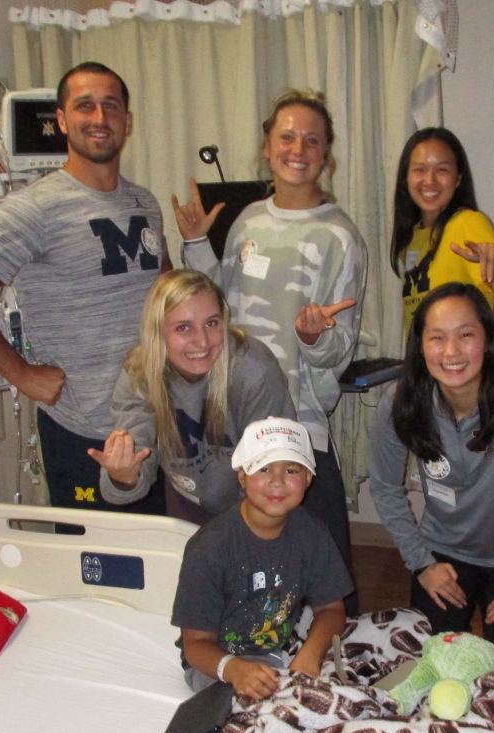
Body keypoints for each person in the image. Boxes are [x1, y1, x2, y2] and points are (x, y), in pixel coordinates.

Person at [0, 62, 170, 515]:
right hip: (84, 430)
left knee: (163, 550)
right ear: (61, 119)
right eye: (85, 106)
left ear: (128, 120)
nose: (99, 117)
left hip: (154, 421)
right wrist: (20, 373)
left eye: (111, 106)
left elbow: (164, 293)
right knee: (96, 557)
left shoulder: (144, 203)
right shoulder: (35, 208)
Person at [172, 89, 366, 614]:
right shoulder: (248, 222)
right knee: (245, 566)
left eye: (312, 140)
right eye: (287, 137)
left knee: (320, 575)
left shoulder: (339, 237)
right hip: (233, 417)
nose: (298, 149)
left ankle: (334, 653)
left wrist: (313, 337)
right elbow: (216, 307)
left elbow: (338, 352)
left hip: (297, 422)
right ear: (267, 146)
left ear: (326, 153)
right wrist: (196, 244)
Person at [369, 283, 494, 656]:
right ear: (420, 345)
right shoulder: (400, 401)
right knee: (433, 659)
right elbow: (385, 487)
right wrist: (422, 564)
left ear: (487, 341)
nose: (451, 351)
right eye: (437, 338)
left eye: (466, 335)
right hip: (442, 550)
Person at [90, 269, 294, 525]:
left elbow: (272, 470)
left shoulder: (253, 368)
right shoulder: (140, 374)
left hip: (258, 502)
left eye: (212, 323)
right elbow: (132, 469)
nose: (203, 342)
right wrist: (123, 476)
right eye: (183, 327)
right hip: (188, 497)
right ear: (158, 333)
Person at [171, 417, 352, 700]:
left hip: (282, 647)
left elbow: (331, 608)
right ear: (242, 476)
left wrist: (310, 654)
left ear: (308, 478)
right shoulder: (209, 547)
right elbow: (195, 645)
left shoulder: (312, 532)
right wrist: (235, 670)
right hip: (219, 664)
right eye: (264, 468)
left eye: (291, 470)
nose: (277, 482)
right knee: (266, 709)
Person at [390, 127, 494, 336]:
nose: (429, 180)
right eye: (419, 170)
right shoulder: (412, 237)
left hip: (464, 354)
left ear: (459, 178)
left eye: (442, 170)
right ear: (406, 178)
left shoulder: (468, 223)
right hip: (425, 356)